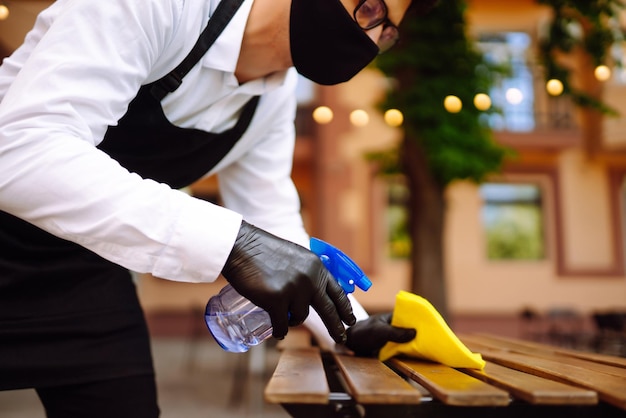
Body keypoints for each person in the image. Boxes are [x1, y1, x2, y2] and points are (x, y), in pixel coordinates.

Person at [0, 0, 434, 415]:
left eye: (389, 31)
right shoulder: (161, 7)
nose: (374, 37)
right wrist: (232, 242)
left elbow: (275, 224)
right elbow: (21, 151)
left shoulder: (273, 98)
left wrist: (350, 326)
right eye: (373, 9)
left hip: (84, 273)